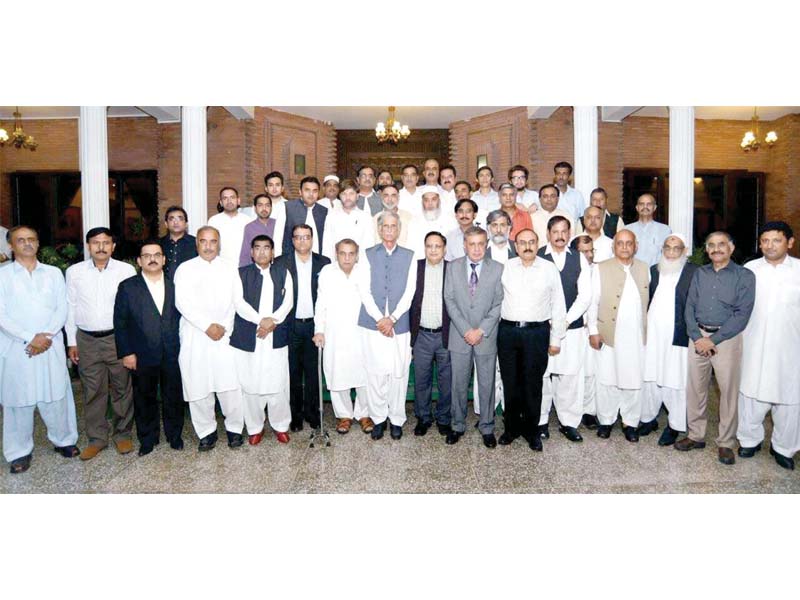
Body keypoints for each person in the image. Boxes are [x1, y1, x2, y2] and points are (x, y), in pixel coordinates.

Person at [174, 226, 267, 450]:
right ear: (197, 244)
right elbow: (182, 303)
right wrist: (207, 326)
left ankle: (234, 430)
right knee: (198, 386)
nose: (208, 246)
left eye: (213, 241)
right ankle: (206, 432)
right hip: (196, 335)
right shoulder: (184, 269)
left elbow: (238, 301)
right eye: (204, 241)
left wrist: (260, 319)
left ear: (219, 244)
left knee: (230, 386)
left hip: (224, 335)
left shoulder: (229, 268)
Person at [0, 226, 80, 474]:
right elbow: (1, 315)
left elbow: (62, 308)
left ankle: (64, 441)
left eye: (31, 239)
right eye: (20, 240)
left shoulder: (53, 273)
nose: (27, 244)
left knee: (56, 395)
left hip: (49, 344)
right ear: (11, 246)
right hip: (17, 347)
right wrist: (29, 338)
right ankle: (19, 452)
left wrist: (45, 337)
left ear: (37, 243)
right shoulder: (3, 277)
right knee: (18, 402)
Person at [679, 231, 756, 464]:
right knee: (696, 389)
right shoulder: (700, 273)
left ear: (731, 248)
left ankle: (725, 443)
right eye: (711, 245)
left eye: (721, 244)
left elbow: (742, 314)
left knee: (728, 392)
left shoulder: (744, 276)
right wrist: (697, 336)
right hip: (698, 336)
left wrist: (713, 340)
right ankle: (695, 435)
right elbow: (689, 305)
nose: (716, 249)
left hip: (727, 339)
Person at [66, 227, 136, 460]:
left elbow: (130, 308)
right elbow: (70, 306)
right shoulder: (75, 272)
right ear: (88, 245)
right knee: (92, 391)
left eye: (106, 242)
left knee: (121, 388)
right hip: (86, 339)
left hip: (117, 338)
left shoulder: (126, 270)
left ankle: (123, 434)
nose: (101, 247)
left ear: (113, 246)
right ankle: (97, 439)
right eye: (96, 242)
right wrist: (71, 341)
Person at [737, 222, 800, 470]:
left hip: (790, 346)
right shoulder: (750, 269)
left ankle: (783, 447)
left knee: (789, 397)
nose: (769, 245)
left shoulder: (799, 271)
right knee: (751, 393)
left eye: (776, 240)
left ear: (790, 242)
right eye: (765, 241)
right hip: (753, 343)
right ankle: (749, 440)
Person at [114, 240, 185, 455]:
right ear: (139, 261)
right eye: (147, 255)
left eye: (156, 255)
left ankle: (175, 435)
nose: (152, 259)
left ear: (164, 259)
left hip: (173, 351)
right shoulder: (128, 287)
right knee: (144, 397)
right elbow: (121, 322)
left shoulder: (175, 285)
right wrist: (126, 352)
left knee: (173, 396)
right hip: (141, 353)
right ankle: (147, 438)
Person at [498, 228, 566, 451]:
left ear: (538, 244)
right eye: (522, 243)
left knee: (533, 384)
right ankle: (511, 429)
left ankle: (531, 431)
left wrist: (556, 338)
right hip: (508, 332)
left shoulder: (548, 269)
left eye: (531, 242)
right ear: (515, 246)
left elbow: (558, 305)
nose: (527, 246)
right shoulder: (506, 267)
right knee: (510, 382)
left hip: (537, 333)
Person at [356, 211, 416, 440]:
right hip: (372, 325)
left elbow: (410, 291)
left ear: (399, 230)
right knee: (375, 373)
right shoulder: (368, 254)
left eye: (393, 226)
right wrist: (380, 319)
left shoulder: (410, 255)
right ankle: (379, 418)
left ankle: (397, 419)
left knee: (398, 373)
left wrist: (393, 318)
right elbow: (364, 290)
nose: (389, 230)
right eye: (385, 226)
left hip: (399, 325)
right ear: (379, 230)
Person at [229, 235, 294, 445]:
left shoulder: (283, 272)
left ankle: (281, 425)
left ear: (273, 252)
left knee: (278, 384)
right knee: (251, 384)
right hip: (251, 335)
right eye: (257, 248)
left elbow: (288, 303)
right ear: (251, 252)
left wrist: (272, 322)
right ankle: (255, 427)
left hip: (276, 334)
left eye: (267, 248)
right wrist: (261, 321)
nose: (262, 252)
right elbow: (239, 304)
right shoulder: (241, 275)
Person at [444, 226, 504, 448]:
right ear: (464, 245)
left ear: (486, 244)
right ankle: (457, 425)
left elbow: (499, 302)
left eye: (481, 244)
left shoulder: (497, 269)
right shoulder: (452, 267)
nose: (477, 249)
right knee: (458, 383)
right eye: (472, 244)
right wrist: (465, 329)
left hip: (486, 336)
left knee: (486, 384)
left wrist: (480, 330)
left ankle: (487, 426)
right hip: (459, 335)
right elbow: (449, 298)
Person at [588, 230, 650, 442]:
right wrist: (593, 331)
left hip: (635, 337)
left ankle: (630, 422)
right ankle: (606, 420)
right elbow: (593, 302)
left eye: (629, 243)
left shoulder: (644, 269)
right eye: (620, 243)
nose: (624, 247)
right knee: (607, 379)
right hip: (609, 334)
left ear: (636, 246)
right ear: (613, 246)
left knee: (633, 379)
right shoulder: (600, 268)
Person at [639, 234, 697, 446]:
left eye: (676, 248)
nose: (671, 253)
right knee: (650, 376)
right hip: (653, 334)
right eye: (668, 248)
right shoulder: (654, 270)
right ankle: (648, 419)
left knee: (675, 379)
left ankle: (674, 425)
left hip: (678, 335)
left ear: (684, 250)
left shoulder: (693, 272)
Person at [537, 217, 591, 442]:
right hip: (542, 327)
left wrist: (564, 321)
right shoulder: (538, 255)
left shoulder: (579, 258)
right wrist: (549, 319)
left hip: (572, 328)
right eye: (555, 231)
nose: (560, 236)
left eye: (564, 232)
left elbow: (585, 296)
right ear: (548, 233)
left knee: (570, 376)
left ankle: (568, 422)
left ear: (569, 234)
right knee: (542, 375)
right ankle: (540, 422)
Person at [274, 224, 331, 430]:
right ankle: (295, 416)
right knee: (293, 374)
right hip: (291, 325)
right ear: (292, 240)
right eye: (297, 237)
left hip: (315, 326)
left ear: (312, 239)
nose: (302, 241)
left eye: (306, 237)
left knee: (314, 373)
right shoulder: (281, 262)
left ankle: (313, 413)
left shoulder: (324, 263)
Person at [314, 239, 372, 434]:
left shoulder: (364, 271)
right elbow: (321, 302)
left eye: (351, 253)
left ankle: (364, 414)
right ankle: (344, 415)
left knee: (364, 372)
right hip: (335, 331)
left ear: (357, 255)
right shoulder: (327, 273)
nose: (347, 258)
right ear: (336, 253)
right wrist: (319, 330)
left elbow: (370, 300)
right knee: (337, 372)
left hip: (361, 330)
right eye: (342, 253)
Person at [410, 232, 452, 436]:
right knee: (422, 380)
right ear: (424, 247)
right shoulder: (415, 268)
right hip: (422, 335)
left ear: (444, 249)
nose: (433, 250)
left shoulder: (453, 269)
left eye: (437, 246)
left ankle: (444, 418)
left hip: (446, 335)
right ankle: (423, 417)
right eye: (429, 246)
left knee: (447, 380)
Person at [571, 235, 600, 429]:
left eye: (591, 251)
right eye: (584, 251)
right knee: (573, 372)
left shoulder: (599, 270)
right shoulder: (571, 268)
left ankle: (588, 411)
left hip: (593, 329)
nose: (589, 255)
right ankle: (572, 411)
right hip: (574, 328)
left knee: (591, 372)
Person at [321, 178, 373, 261]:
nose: (347, 197)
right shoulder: (331, 217)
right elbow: (327, 247)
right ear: (340, 196)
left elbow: (369, 247)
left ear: (357, 196)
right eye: (344, 194)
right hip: (336, 266)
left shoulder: (366, 218)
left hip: (360, 266)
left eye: (351, 193)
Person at [207, 186, 254, 265]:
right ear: (221, 203)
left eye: (232, 197)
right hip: (220, 266)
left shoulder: (247, 220)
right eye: (225, 198)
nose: (229, 201)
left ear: (238, 201)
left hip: (244, 266)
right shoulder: (213, 221)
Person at [282, 176, 328, 256]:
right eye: (307, 190)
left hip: (317, 260)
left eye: (315, 191)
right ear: (300, 192)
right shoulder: (287, 207)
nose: (311, 194)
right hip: (290, 259)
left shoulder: (324, 211)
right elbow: (278, 236)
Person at [407, 186, 457, 258]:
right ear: (422, 202)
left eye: (433, 199)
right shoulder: (414, 222)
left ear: (439, 201)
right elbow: (411, 247)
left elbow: (453, 247)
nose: (430, 203)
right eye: (426, 200)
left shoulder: (450, 220)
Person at [625, 193, 671, 267]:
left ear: (654, 207)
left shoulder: (665, 230)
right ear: (637, 207)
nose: (645, 207)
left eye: (649, 204)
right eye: (641, 204)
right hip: (633, 273)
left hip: (656, 274)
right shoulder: (627, 229)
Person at [159, 206, 197, 280]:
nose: (176, 222)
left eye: (180, 218)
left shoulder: (196, 243)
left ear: (186, 224)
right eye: (171, 219)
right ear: (166, 224)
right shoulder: (158, 244)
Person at [239, 194, 276, 267]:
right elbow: (246, 253)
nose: (264, 208)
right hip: (256, 270)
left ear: (271, 208)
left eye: (267, 205)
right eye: (260, 205)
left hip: (277, 268)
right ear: (255, 208)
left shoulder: (278, 224)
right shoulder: (249, 227)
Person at [372, 183, 412, 247]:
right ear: (381, 197)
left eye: (393, 195)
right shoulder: (375, 219)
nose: (390, 199)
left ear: (398, 197)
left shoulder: (408, 217)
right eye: (386, 195)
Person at [263, 171, 288, 256]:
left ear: (282, 188)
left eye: (277, 185)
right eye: (270, 185)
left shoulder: (290, 207)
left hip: (285, 252)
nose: (274, 188)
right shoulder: (258, 208)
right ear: (266, 188)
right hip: (263, 252)